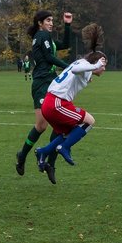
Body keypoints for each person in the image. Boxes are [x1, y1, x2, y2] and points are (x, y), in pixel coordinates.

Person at [34, 23, 106, 185]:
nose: (104, 69)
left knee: (69, 132)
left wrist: (90, 71)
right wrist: (94, 66)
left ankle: (43, 151)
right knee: (90, 121)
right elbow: (76, 70)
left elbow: (77, 72)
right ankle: (64, 148)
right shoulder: (84, 65)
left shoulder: (82, 65)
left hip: (49, 102)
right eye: (104, 65)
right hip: (57, 103)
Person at [14, 10, 73, 175]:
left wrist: (67, 25)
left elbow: (66, 44)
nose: (51, 23)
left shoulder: (48, 39)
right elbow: (48, 57)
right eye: (48, 20)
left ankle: (50, 164)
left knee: (58, 122)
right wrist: (68, 66)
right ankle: (23, 154)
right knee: (41, 125)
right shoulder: (41, 36)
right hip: (41, 83)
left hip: (52, 82)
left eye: (52, 20)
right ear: (40, 23)